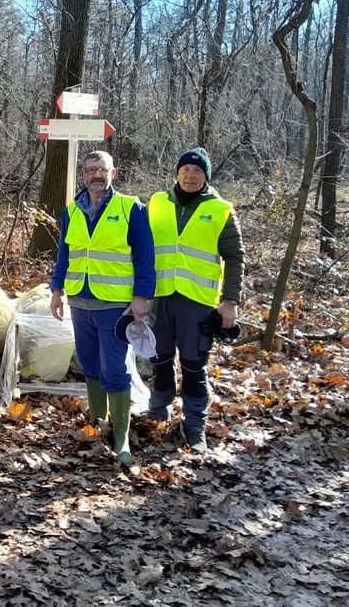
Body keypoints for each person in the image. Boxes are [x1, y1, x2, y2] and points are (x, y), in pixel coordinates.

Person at [49, 150, 155, 466]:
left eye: (102, 169)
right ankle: (97, 421)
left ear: (113, 172)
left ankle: (120, 438)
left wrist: (141, 297)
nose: (97, 174)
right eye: (91, 169)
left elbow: (145, 257)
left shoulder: (130, 208)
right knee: (89, 362)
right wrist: (57, 290)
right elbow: (64, 254)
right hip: (80, 301)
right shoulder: (72, 210)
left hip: (115, 305)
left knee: (116, 367)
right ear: (83, 175)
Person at [146, 147, 245, 453]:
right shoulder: (156, 202)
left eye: (198, 171)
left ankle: (194, 427)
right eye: (186, 170)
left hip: (197, 300)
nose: (191, 176)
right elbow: (138, 248)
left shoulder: (220, 210)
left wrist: (230, 302)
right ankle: (157, 416)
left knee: (193, 366)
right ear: (177, 173)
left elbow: (235, 257)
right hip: (159, 298)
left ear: (206, 176)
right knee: (159, 361)